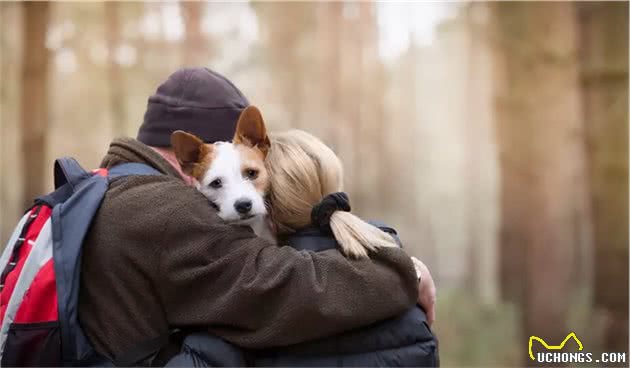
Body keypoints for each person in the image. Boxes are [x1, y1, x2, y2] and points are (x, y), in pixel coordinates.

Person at [78, 67, 436, 365]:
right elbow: (282, 288)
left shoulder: (108, 186)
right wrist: (407, 271)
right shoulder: (169, 209)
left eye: (249, 172)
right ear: (200, 154)